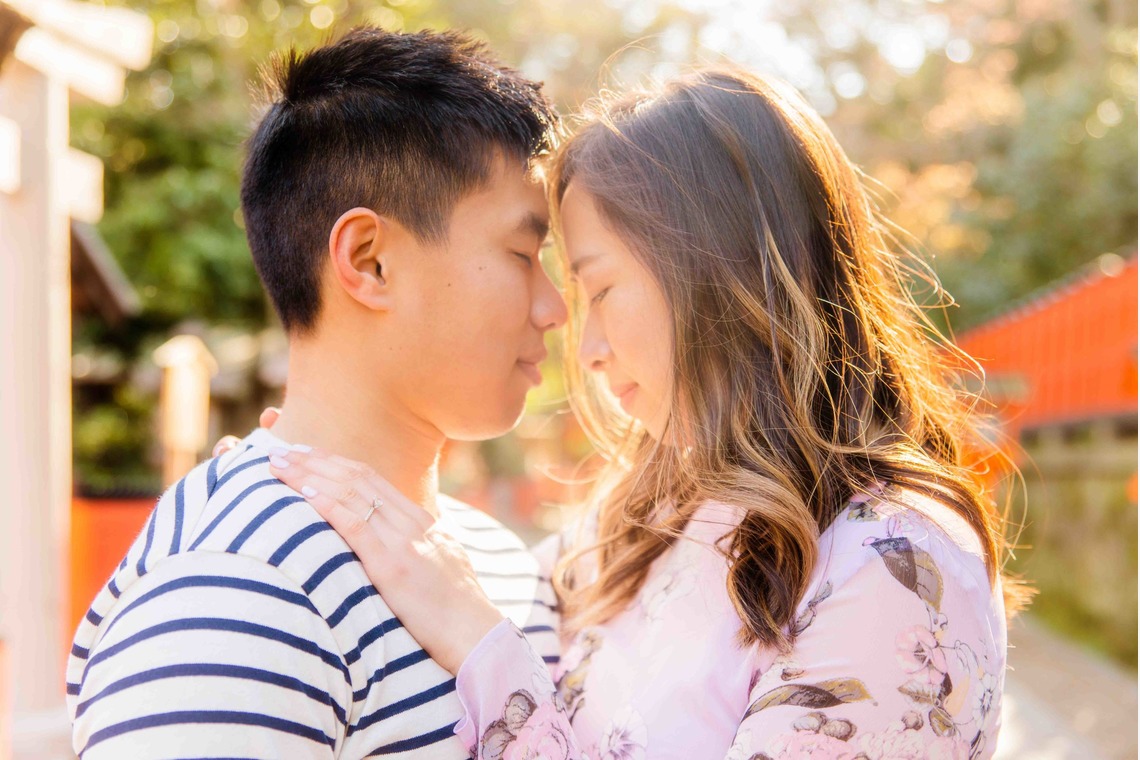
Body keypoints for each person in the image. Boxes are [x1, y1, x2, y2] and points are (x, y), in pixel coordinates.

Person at [265, 68, 1024, 759]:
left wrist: (481, 646)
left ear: (721, 274)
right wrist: (328, 464)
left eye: (599, 290)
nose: (585, 346)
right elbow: (451, 569)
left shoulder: (895, 563)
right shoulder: (644, 514)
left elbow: (463, 606)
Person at [66, 27, 568, 759]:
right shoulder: (236, 591)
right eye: (523, 254)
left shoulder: (502, 564)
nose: (554, 307)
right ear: (369, 261)